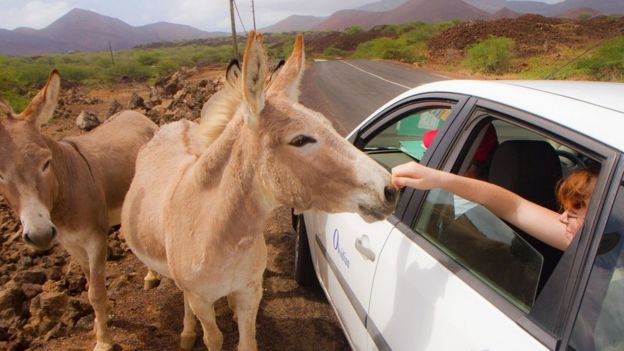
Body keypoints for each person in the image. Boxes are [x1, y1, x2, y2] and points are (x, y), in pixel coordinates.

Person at [392, 162, 597, 251]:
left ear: (600, 222)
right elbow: (515, 206)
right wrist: (439, 179)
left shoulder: (591, 242)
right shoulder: (584, 238)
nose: (561, 219)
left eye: (572, 213)